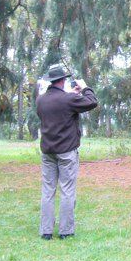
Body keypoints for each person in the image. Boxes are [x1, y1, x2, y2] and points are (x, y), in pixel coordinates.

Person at [36, 64, 98, 240]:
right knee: (67, 191)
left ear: (51, 81)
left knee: (48, 191)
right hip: (66, 151)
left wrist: (73, 94)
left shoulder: (40, 100)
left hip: (47, 151)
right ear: (63, 80)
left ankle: (46, 231)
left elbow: (56, 109)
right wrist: (85, 88)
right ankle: (66, 231)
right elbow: (92, 102)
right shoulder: (68, 99)